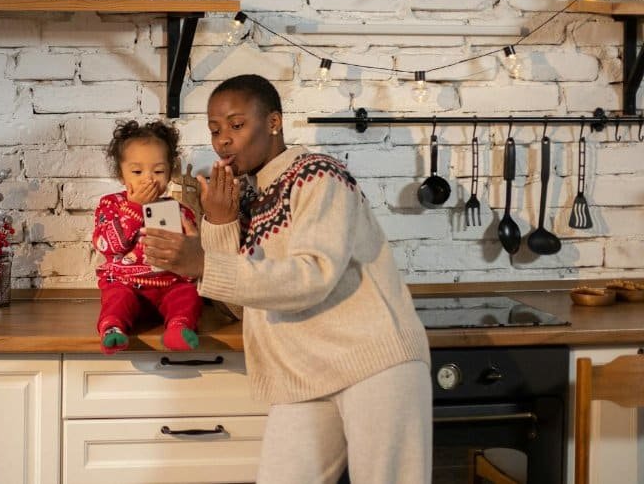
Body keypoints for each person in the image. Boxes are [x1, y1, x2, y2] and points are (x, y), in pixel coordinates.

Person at [140, 74, 432, 484]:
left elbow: (313, 277)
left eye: (237, 125)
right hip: (303, 372)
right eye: (215, 129)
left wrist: (204, 263)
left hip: (374, 363)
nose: (223, 140)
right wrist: (220, 222)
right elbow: (244, 302)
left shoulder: (319, 174)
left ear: (274, 121)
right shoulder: (246, 197)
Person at [91, 120, 201, 355]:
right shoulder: (111, 205)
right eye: (137, 171)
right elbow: (108, 246)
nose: (148, 179)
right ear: (121, 175)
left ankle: (178, 327)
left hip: (168, 285)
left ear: (170, 173)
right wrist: (134, 208)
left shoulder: (180, 210)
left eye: (158, 171)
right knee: (116, 296)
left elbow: (190, 257)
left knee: (188, 294)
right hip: (126, 284)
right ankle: (112, 328)